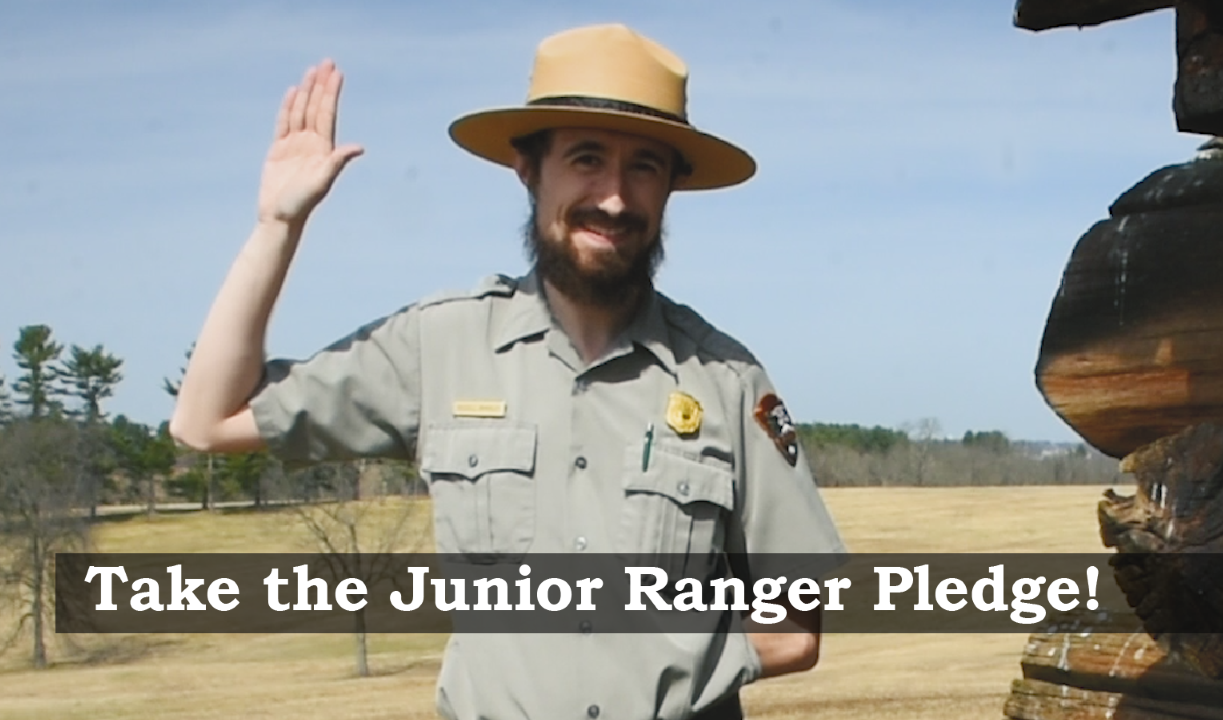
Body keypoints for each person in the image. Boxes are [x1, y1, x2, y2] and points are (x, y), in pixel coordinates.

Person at [170, 23, 846, 720]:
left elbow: (795, 632)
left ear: (672, 185)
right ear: (528, 168)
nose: (614, 197)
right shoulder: (438, 346)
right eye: (587, 158)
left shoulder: (726, 379)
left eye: (644, 165)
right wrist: (277, 227)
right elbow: (205, 421)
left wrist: (648, 680)